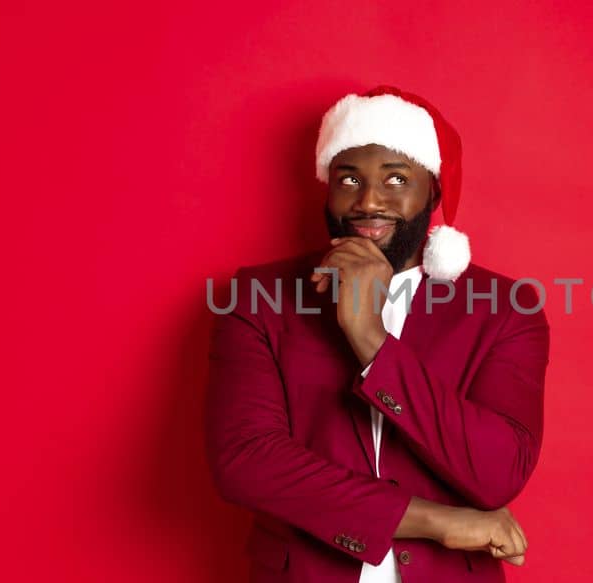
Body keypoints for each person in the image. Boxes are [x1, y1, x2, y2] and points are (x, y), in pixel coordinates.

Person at [205, 86, 550, 582]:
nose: (368, 200)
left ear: (432, 189)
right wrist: (436, 521)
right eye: (349, 178)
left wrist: (369, 337)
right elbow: (247, 462)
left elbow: (498, 471)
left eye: (396, 178)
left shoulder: (503, 309)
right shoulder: (260, 296)